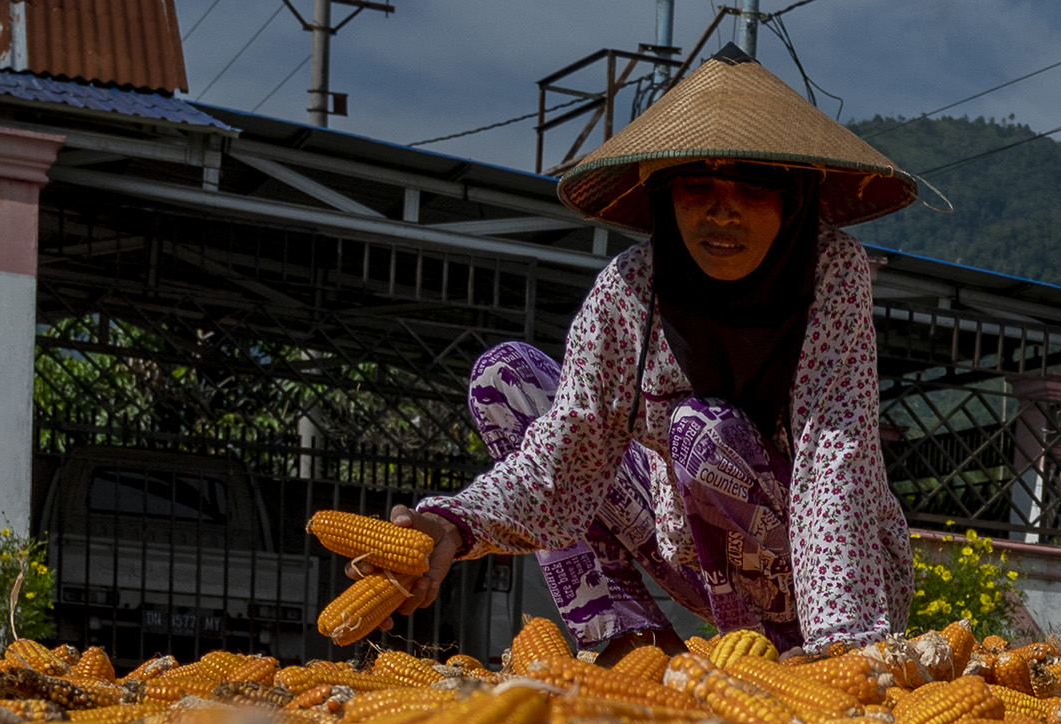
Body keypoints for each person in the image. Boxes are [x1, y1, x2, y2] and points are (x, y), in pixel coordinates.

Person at [371, 52, 918, 660]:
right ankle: (626, 648)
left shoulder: (831, 274)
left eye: (753, 187)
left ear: (793, 201)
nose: (722, 211)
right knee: (506, 380)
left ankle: (790, 647)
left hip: (827, 580)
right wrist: (453, 524)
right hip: (684, 546)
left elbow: (833, 460)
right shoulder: (630, 292)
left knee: (704, 432)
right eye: (697, 185)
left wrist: (844, 648)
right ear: (666, 196)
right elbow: (565, 458)